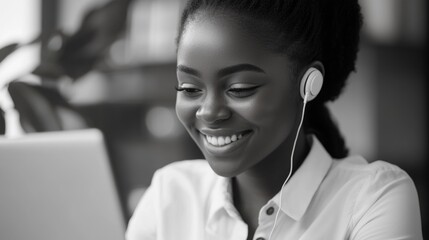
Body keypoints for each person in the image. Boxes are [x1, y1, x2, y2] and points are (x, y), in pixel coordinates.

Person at [126, 0, 423, 239]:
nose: (209, 112)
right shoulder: (170, 193)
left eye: (239, 89)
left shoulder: (372, 198)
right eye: (190, 89)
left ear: (308, 84)